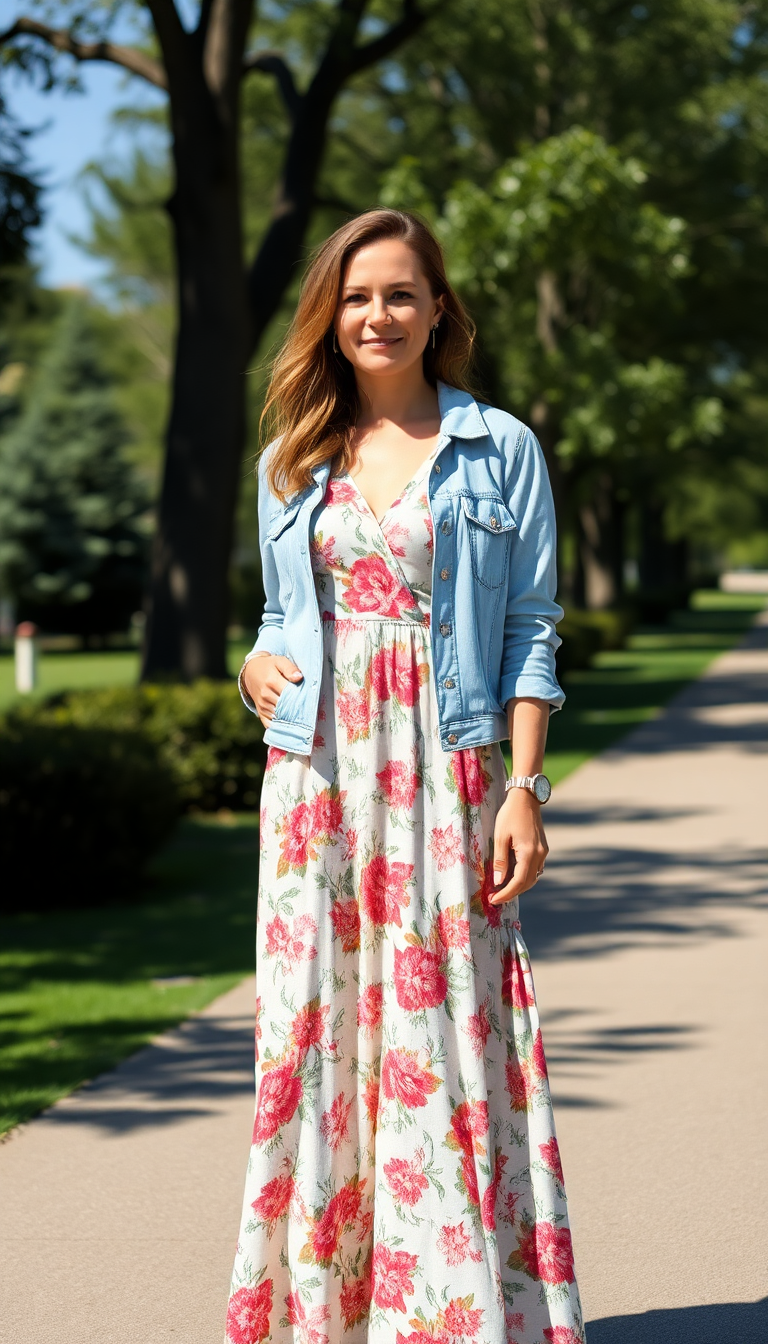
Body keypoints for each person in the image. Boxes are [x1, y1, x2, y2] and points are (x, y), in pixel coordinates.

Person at [226, 208, 586, 1344]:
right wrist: (252, 672)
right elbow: (282, 627)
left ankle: (454, 1314)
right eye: (356, 296)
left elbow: (531, 627)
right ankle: (326, 1316)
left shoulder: (499, 448)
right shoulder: (295, 453)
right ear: (330, 318)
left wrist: (523, 788)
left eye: (400, 293)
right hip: (320, 785)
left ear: (439, 310)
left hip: (447, 775)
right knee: (317, 1031)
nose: (377, 314)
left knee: (445, 1033)